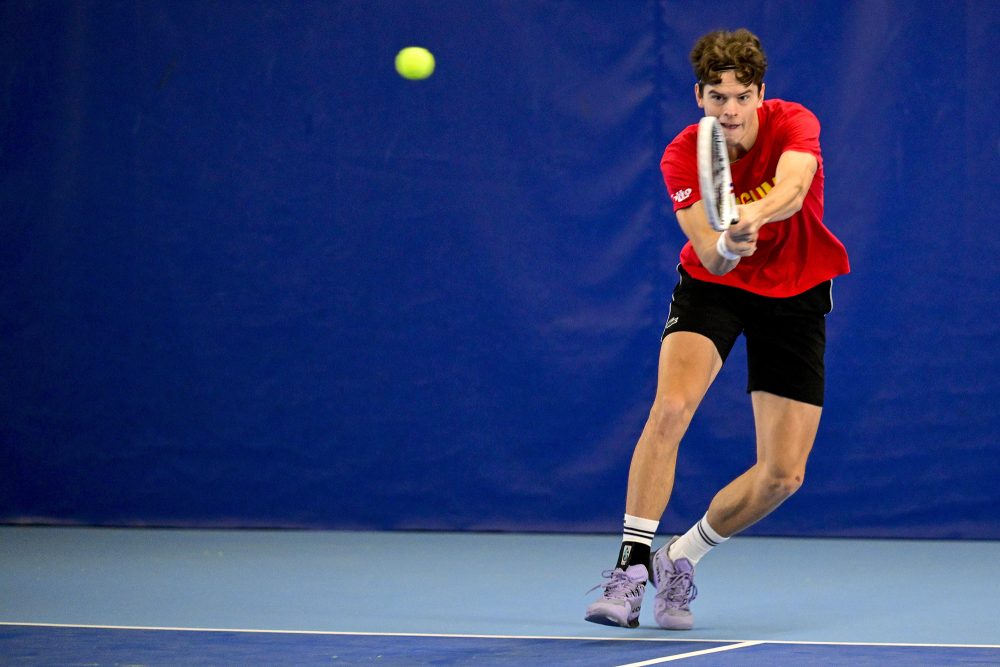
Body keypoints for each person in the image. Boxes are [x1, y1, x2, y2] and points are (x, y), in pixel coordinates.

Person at [584, 28, 850, 630]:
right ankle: (630, 569)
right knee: (671, 408)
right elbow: (708, 251)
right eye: (717, 97)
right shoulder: (683, 154)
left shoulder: (794, 122)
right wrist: (727, 243)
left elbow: (794, 187)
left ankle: (681, 556)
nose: (729, 110)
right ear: (698, 96)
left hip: (797, 293)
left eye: (741, 96)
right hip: (714, 289)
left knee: (783, 476)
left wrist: (749, 213)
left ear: (761, 94)